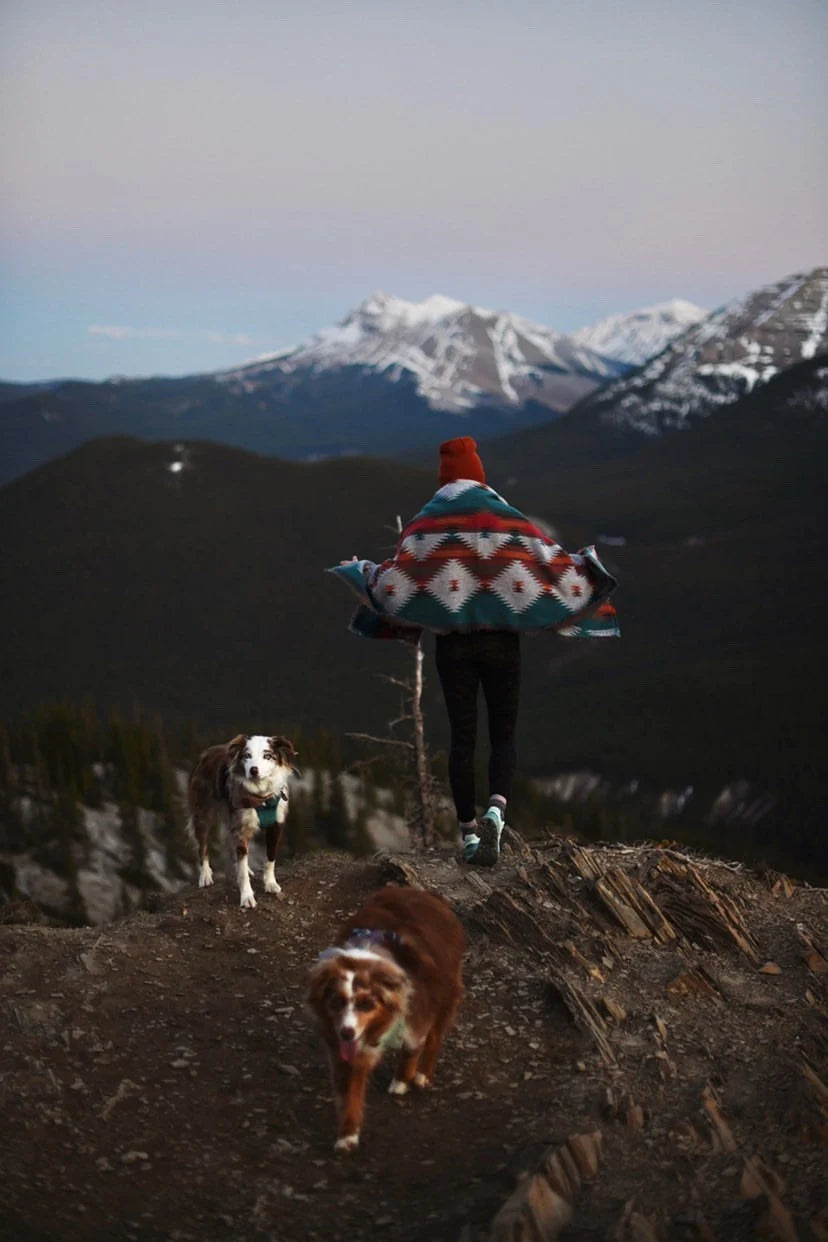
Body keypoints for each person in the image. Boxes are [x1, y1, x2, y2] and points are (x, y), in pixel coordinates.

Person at [330, 436, 619, 866]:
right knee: (504, 734)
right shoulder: (505, 518)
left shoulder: (426, 525)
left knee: (462, 739)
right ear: (479, 474)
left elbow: (396, 581)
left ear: (443, 477)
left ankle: (468, 834)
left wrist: (364, 574)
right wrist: (584, 570)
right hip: (503, 644)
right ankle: (496, 813)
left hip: (454, 648)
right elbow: (548, 561)